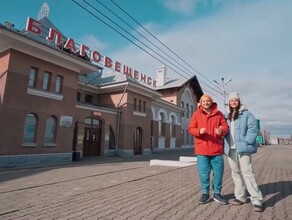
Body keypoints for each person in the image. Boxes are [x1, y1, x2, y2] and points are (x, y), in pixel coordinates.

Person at [224, 92, 264, 212]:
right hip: (230, 148)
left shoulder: (246, 114)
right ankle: (240, 196)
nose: (233, 102)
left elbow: (253, 128)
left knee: (247, 172)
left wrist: (247, 141)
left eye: (235, 100)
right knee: (235, 172)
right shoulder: (227, 115)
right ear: (229, 103)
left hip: (243, 148)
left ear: (239, 101)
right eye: (231, 100)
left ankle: (257, 199)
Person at [188, 94, 229, 205]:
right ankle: (205, 194)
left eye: (208, 101)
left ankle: (217, 193)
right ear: (201, 103)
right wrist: (198, 132)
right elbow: (191, 129)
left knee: (218, 173)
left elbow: (225, 127)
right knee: (204, 174)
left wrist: (222, 130)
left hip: (217, 149)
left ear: (211, 102)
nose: (206, 103)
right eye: (204, 101)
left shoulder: (219, 114)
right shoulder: (196, 115)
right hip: (202, 149)